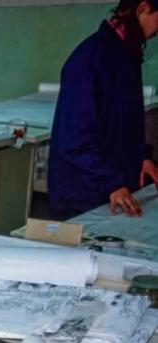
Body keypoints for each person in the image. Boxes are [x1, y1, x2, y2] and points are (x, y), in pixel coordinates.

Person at [49, 0, 158, 218]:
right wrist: (112, 182)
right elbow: (75, 141)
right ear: (143, 9)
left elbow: (126, 123)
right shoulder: (90, 59)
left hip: (111, 185)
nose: (156, 33)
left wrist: (142, 158)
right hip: (83, 195)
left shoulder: (126, 55)